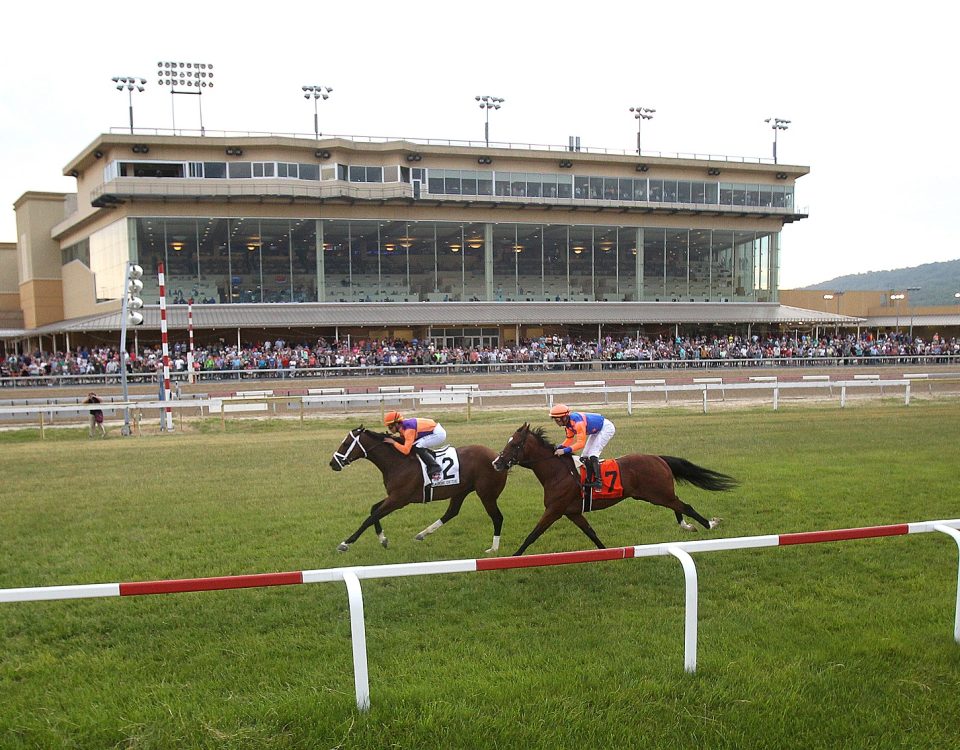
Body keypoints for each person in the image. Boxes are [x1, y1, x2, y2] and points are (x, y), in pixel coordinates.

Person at [549, 403, 615, 488]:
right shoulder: (568, 425)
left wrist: (564, 450)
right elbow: (569, 439)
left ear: (564, 417)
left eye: (557, 420)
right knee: (584, 457)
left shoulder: (577, 422)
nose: (556, 422)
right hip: (596, 430)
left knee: (593, 454)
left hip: (606, 428)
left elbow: (581, 443)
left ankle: (599, 482)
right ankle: (589, 480)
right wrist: (559, 447)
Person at [383, 410, 446, 484]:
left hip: (438, 434)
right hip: (432, 430)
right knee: (416, 445)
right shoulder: (403, 427)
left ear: (397, 424)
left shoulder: (409, 430)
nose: (389, 429)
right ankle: (430, 456)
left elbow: (406, 450)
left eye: (390, 426)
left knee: (418, 446)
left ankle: (435, 468)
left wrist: (393, 442)